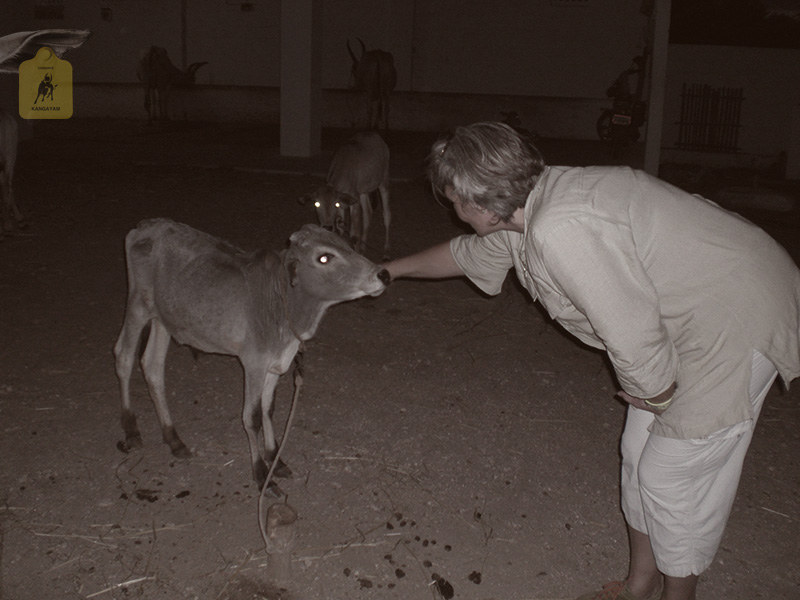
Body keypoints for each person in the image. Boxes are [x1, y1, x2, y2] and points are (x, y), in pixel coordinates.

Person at [383, 121, 800, 600]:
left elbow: (631, 329)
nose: (454, 210)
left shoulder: (560, 225)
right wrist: (386, 271)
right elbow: (467, 254)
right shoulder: (525, 209)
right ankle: (639, 585)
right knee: (638, 452)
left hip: (737, 313)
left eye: (454, 199)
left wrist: (657, 395)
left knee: (671, 473)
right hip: (690, 313)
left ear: (479, 199)